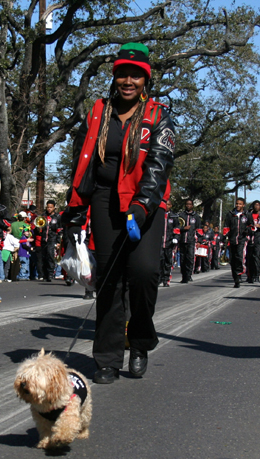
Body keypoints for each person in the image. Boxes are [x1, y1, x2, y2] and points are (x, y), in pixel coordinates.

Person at [63, 42, 175, 384]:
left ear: (146, 80)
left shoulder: (159, 117)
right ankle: (108, 357)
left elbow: (158, 167)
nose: (128, 81)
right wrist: (75, 207)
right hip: (103, 201)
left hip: (145, 206)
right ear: (115, 77)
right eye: (122, 73)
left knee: (142, 274)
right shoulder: (98, 111)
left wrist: (140, 208)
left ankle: (139, 342)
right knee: (109, 281)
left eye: (136, 75)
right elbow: (82, 160)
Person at [224, 197, 253, 288]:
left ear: (243, 205)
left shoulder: (247, 215)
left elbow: (252, 226)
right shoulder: (230, 214)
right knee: (233, 260)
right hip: (232, 240)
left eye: (240, 204)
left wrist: (247, 230)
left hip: (242, 239)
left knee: (240, 257)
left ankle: (239, 272)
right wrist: (225, 235)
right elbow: (226, 226)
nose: (238, 205)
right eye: (237, 204)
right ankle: (236, 278)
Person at [38, 200, 62, 282]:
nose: (49, 209)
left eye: (51, 207)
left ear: (54, 207)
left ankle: (50, 274)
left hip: (52, 239)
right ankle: (45, 275)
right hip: (44, 239)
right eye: (48, 207)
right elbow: (39, 226)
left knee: (50, 256)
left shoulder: (57, 217)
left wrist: (58, 241)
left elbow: (59, 230)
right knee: (43, 257)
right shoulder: (43, 216)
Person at [178, 199, 200, 283]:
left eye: (190, 204)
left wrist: (199, 241)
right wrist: (183, 228)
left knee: (190, 258)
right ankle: (184, 276)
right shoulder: (181, 215)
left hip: (191, 241)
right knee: (183, 259)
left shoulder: (196, 216)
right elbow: (176, 227)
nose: (188, 205)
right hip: (182, 240)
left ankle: (189, 274)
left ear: (192, 206)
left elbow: (199, 229)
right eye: (187, 204)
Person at [246, 200, 260, 283]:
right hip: (250, 238)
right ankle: (249, 276)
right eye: (255, 205)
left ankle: (257, 275)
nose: (256, 206)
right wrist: (250, 228)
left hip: (259, 238)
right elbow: (244, 226)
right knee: (249, 257)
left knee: (257, 257)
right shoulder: (248, 215)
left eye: (258, 205)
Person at [159, 211, 179, 287]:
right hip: (160, 243)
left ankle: (166, 279)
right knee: (160, 261)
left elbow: (177, 228)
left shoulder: (174, 217)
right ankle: (159, 278)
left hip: (169, 243)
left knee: (168, 262)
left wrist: (176, 238)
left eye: (169, 204)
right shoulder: (159, 214)